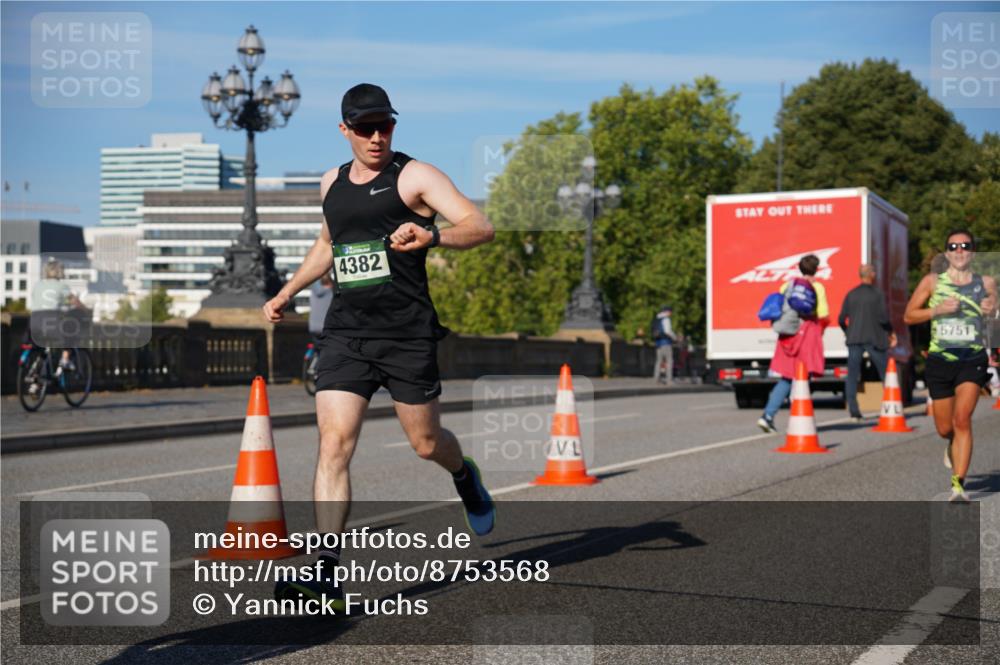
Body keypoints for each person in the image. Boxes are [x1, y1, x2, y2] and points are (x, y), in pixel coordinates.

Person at [263, 83, 496, 610]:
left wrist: (431, 235)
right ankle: (325, 575)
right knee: (334, 444)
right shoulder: (332, 182)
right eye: (365, 128)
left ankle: (465, 475)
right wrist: (287, 291)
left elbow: (481, 227)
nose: (376, 136)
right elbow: (327, 245)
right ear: (344, 130)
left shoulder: (415, 176)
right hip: (347, 332)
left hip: (407, 334)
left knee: (426, 443)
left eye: (384, 126)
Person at [903, 230, 996, 502]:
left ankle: (958, 486)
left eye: (965, 246)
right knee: (946, 428)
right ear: (946, 253)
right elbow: (909, 315)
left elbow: (994, 312)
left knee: (962, 419)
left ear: (973, 252)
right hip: (940, 361)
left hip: (972, 358)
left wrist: (992, 309)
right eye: (953, 246)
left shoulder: (986, 282)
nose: (959, 250)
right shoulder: (932, 282)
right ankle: (950, 443)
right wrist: (937, 310)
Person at [757, 254, 829, 433]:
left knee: (787, 377)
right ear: (816, 269)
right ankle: (800, 417)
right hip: (807, 335)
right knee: (804, 377)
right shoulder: (817, 287)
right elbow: (823, 314)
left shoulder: (786, 285)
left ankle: (768, 415)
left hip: (788, 336)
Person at [839, 264, 897, 421]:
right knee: (885, 373)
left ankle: (854, 411)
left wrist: (848, 332)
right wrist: (891, 332)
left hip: (854, 339)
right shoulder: (877, 294)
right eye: (874, 271)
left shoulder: (851, 294)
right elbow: (883, 318)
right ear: (870, 275)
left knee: (852, 375)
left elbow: (841, 319)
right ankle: (891, 407)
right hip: (875, 339)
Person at [651, 305, 676, 385]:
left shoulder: (657, 318)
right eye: (670, 312)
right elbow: (667, 331)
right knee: (669, 361)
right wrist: (674, 337)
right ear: (667, 311)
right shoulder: (666, 319)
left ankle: (656, 379)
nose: (670, 314)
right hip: (666, 343)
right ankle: (669, 380)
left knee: (658, 361)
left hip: (658, 343)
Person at [308, 272, 334, 340]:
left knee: (317, 348)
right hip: (327, 327)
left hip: (313, 327)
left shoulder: (314, 290)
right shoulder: (332, 292)